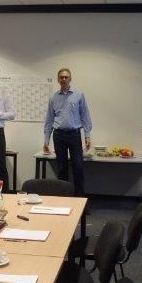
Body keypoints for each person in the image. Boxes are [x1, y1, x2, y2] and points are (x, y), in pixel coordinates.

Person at [43, 68, 92, 196]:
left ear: (70, 79)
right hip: (59, 136)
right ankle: (63, 198)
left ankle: (80, 199)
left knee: (78, 167)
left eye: (66, 77)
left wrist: (87, 136)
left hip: (74, 135)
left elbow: (85, 116)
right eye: (61, 77)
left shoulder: (79, 95)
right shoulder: (53, 98)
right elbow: (49, 120)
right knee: (61, 168)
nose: (64, 79)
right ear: (58, 79)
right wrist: (46, 140)